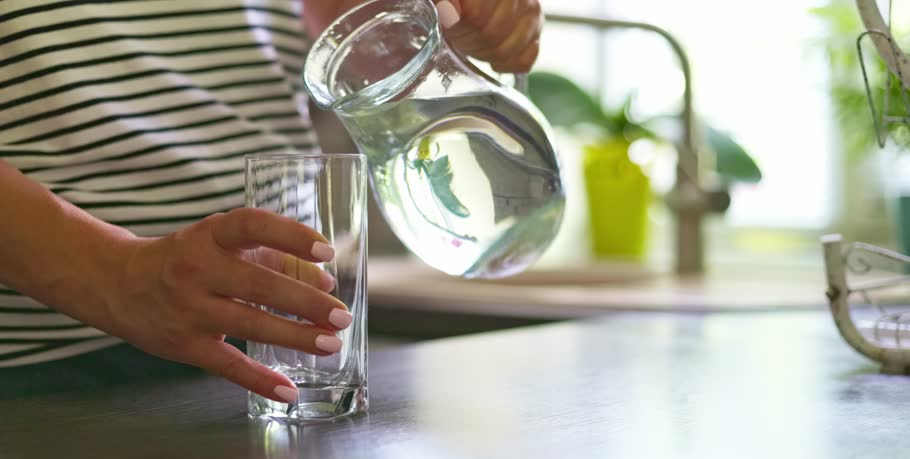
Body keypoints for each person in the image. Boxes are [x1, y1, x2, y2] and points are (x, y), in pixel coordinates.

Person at [0, 0, 543, 401]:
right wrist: (114, 274)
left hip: (290, 346)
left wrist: (442, 20)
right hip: (45, 371)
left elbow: (333, 28)